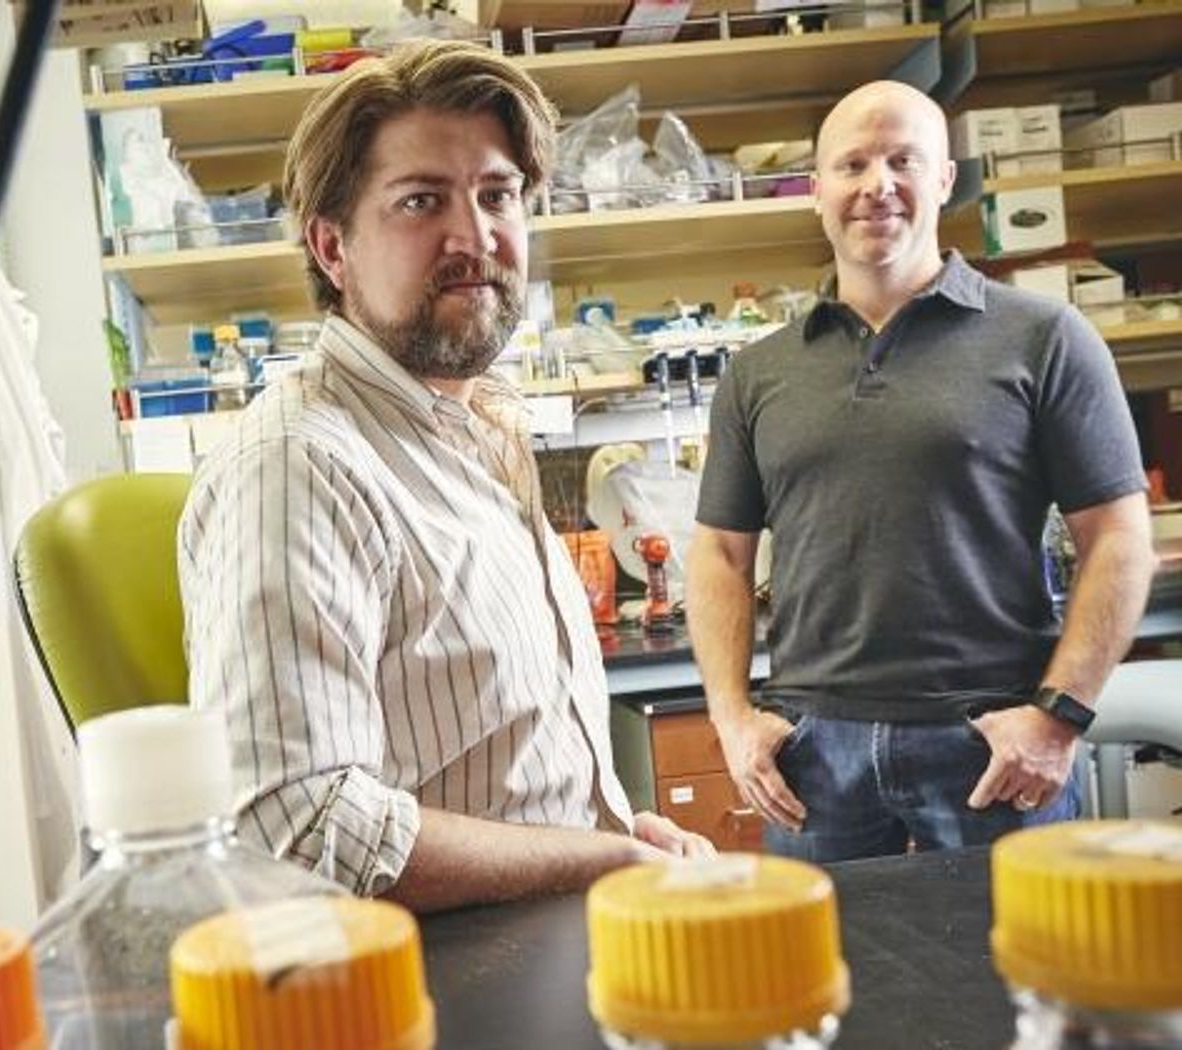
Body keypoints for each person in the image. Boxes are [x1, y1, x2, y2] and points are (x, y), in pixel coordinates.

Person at [178, 40, 712, 913]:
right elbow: (296, 825)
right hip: (444, 991)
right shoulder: (301, 467)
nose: (475, 237)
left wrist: (624, 841)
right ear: (332, 247)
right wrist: (594, 865)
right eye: (421, 201)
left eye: (497, 195)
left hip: (557, 942)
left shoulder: (474, 425)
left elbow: (505, 761)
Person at [686, 80, 1156, 862]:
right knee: (827, 982)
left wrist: (1057, 716)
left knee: (1012, 978)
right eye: (852, 164)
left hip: (992, 743)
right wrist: (732, 719)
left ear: (944, 179)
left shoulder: (1045, 338)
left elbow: (1118, 537)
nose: (878, 186)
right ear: (816, 191)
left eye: (904, 160)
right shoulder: (757, 372)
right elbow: (720, 553)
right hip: (811, 754)